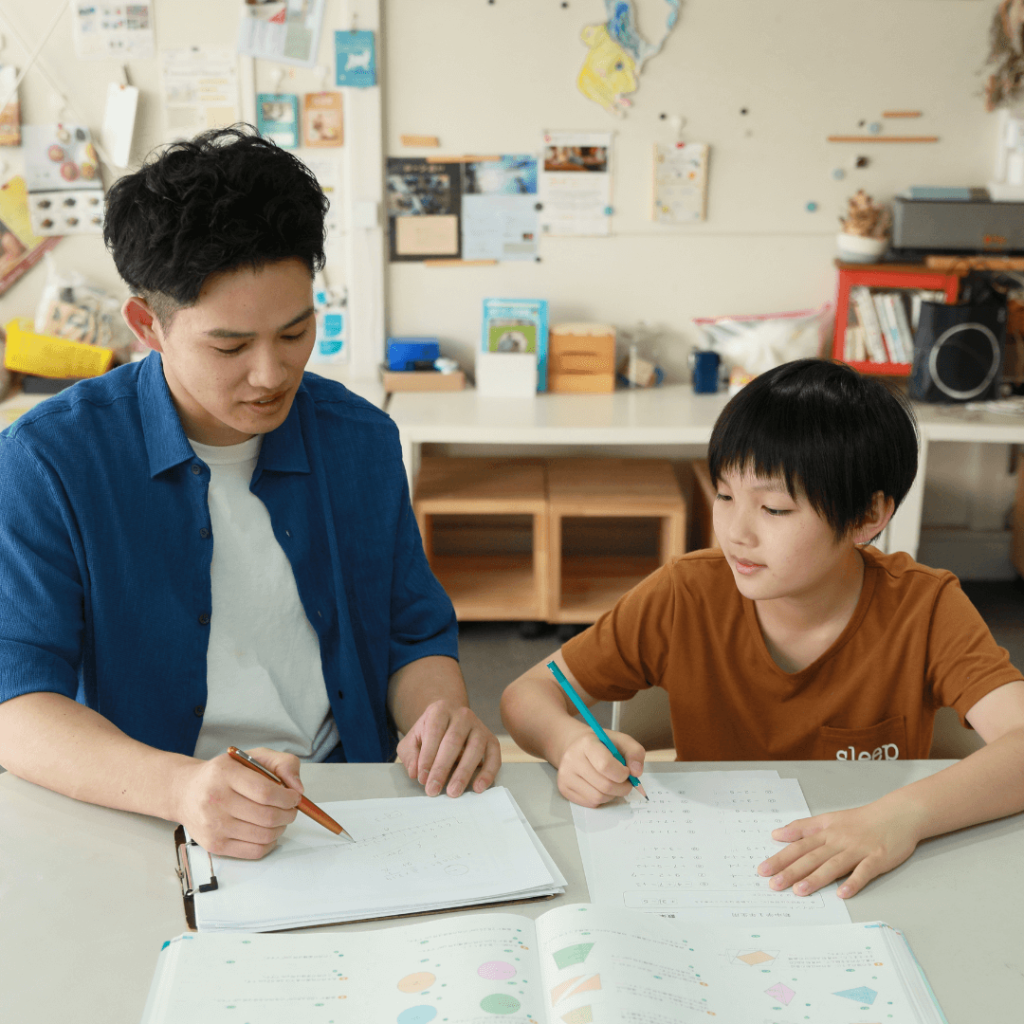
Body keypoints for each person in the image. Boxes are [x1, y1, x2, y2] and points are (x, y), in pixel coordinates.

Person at [0, 126, 499, 860]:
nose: (271, 374)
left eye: (296, 334)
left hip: (345, 809)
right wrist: (181, 790)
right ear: (149, 325)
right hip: (145, 816)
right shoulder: (50, 461)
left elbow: (409, 632)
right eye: (230, 347)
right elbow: (19, 703)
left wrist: (441, 715)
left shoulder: (358, 439)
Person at [501, 358, 1024, 899]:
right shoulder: (687, 594)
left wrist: (903, 816)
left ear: (869, 516)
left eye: (774, 508)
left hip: (867, 876)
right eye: (725, 495)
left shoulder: (924, 607)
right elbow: (529, 693)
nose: (735, 532)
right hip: (713, 871)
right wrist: (570, 744)